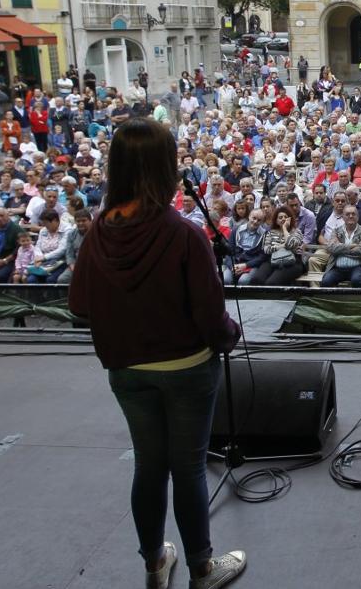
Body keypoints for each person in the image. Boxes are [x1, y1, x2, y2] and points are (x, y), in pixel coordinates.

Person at [67, 118, 247, 589]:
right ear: (167, 168)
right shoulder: (184, 234)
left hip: (127, 370)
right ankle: (202, 570)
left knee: (149, 465)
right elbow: (212, 320)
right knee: (188, 469)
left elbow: (79, 307)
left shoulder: (99, 233)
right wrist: (229, 335)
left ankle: (154, 563)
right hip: (187, 368)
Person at [320, 204, 361, 287]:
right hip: (337, 268)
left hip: (358, 267)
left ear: (357, 216)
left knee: (357, 280)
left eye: (353, 214)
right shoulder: (336, 231)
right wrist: (351, 246)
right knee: (326, 281)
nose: (350, 216)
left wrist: (340, 248)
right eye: (347, 214)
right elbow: (331, 248)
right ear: (343, 217)